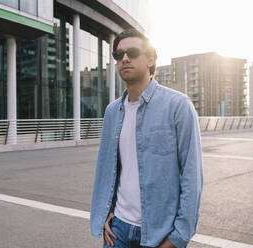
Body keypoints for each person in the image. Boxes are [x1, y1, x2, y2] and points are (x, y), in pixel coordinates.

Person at [90, 29, 203, 248]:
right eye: (118, 54)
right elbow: (106, 170)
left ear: (151, 59)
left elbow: (192, 176)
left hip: (160, 233)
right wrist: (105, 214)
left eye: (132, 52)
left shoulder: (178, 106)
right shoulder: (112, 111)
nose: (124, 58)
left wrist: (178, 236)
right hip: (118, 230)